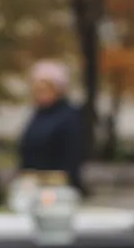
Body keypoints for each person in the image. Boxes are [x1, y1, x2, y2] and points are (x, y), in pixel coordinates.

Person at [18, 60, 86, 193]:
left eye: (46, 88)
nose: (41, 93)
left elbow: (72, 155)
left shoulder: (69, 116)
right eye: (37, 89)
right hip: (32, 184)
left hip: (58, 187)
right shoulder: (38, 115)